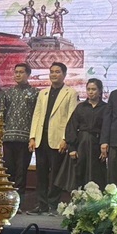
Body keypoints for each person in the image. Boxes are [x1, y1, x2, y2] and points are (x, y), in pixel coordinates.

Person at [28, 61, 79, 214]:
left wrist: (65, 139)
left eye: (57, 72)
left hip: (58, 139)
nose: (54, 74)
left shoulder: (71, 93)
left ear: (64, 74)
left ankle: (53, 205)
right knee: (41, 174)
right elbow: (37, 115)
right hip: (41, 138)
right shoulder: (43, 93)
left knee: (56, 174)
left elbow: (71, 117)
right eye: (52, 72)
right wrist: (32, 137)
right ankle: (41, 204)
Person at [1, 62, 40, 211]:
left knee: (21, 172)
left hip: (25, 139)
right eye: (16, 72)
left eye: (21, 72)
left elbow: (37, 116)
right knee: (9, 171)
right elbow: (1, 114)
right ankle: (8, 203)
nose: (18, 74)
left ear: (28, 74)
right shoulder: (8, 93)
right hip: (8, 138)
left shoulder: (35, 93)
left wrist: (33, 137)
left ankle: (18, 204)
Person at [66, 78, 108, 189]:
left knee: (97, 174)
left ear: (100, 91)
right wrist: (72, 148)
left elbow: (107, 128)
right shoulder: (80, 107)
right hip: (81, 144)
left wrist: (104, 145)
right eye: (88, 89)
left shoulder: (105, 108)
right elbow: (72, 127)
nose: (90, 92)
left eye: (93, 89)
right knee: (80, 172)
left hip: (97, 144)